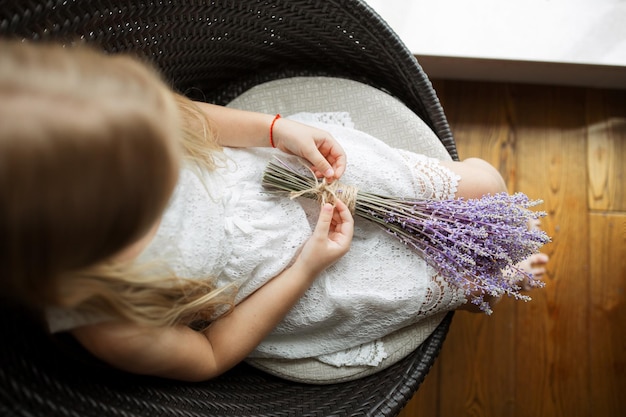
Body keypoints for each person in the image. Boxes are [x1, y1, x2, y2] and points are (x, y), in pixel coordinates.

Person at [0, 40, 548, 381]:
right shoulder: (106, 318)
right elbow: (209, 356)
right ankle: (472, 291)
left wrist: (275, 129)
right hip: (291, 281)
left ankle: (473, 266)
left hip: (284, 174)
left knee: (487, 181)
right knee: (440, 283)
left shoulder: (101, 124)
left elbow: (189, 119)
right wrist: (310, 263)